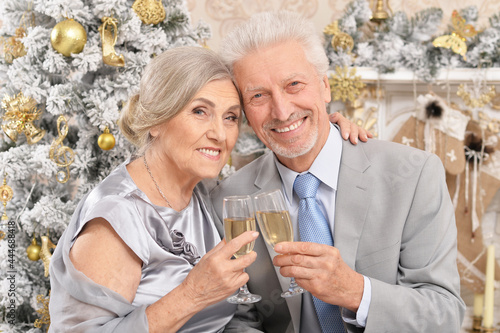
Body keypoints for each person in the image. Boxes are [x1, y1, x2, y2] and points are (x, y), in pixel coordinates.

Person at [48, 46, 363, 332]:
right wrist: (191, 295)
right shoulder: (116, 218)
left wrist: (327, 130)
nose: (219, 134)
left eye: (230, 117)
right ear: (155, 120)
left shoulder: (203, 193)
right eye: (200, 111)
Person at [211, 10, 466, 333]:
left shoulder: (414, 176)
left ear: (325, 86)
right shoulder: (229, 199)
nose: (281, 110)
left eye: (294, 85)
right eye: (258, 95)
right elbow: (235, 319)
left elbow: (444, 315)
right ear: (246, 111)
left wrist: (357, 292)